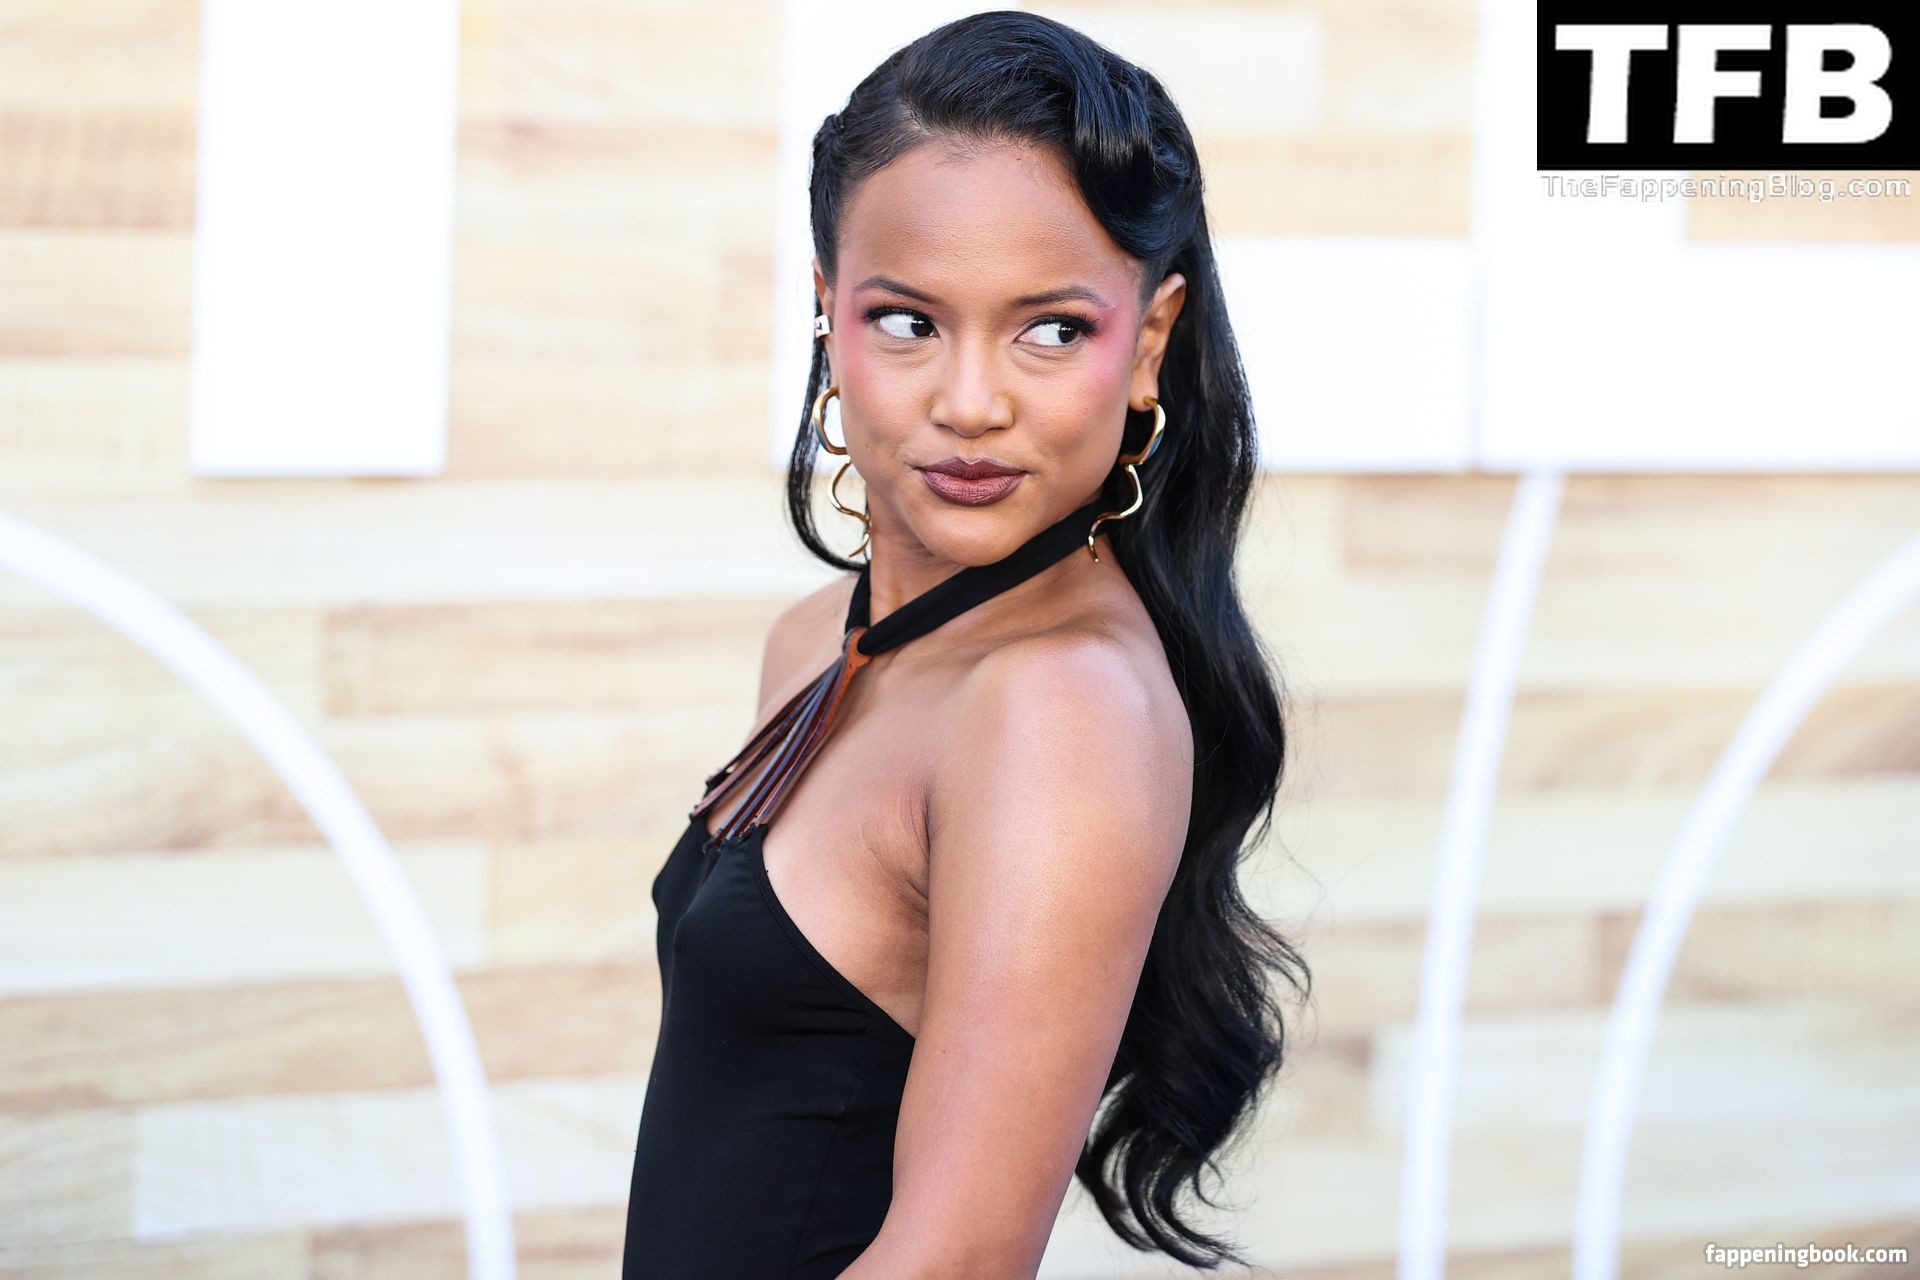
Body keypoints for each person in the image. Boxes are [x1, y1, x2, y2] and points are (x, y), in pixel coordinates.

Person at [623, 10, 1309, 1277]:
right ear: (827, 310)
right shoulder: (817, 641)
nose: (973, 403)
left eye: (1051, 329)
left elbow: (958, 1259)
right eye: (907, 321)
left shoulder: (1061, 703)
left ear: (1149, 342)